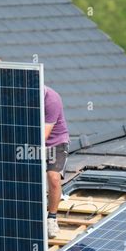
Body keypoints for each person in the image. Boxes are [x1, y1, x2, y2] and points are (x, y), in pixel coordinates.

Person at [44, 86, 70, 238]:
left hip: (56, 143)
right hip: (31, 142)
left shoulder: (52, 99)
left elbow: (44, 135)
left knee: (53, 178)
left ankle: (52, 219)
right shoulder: (22, 97)